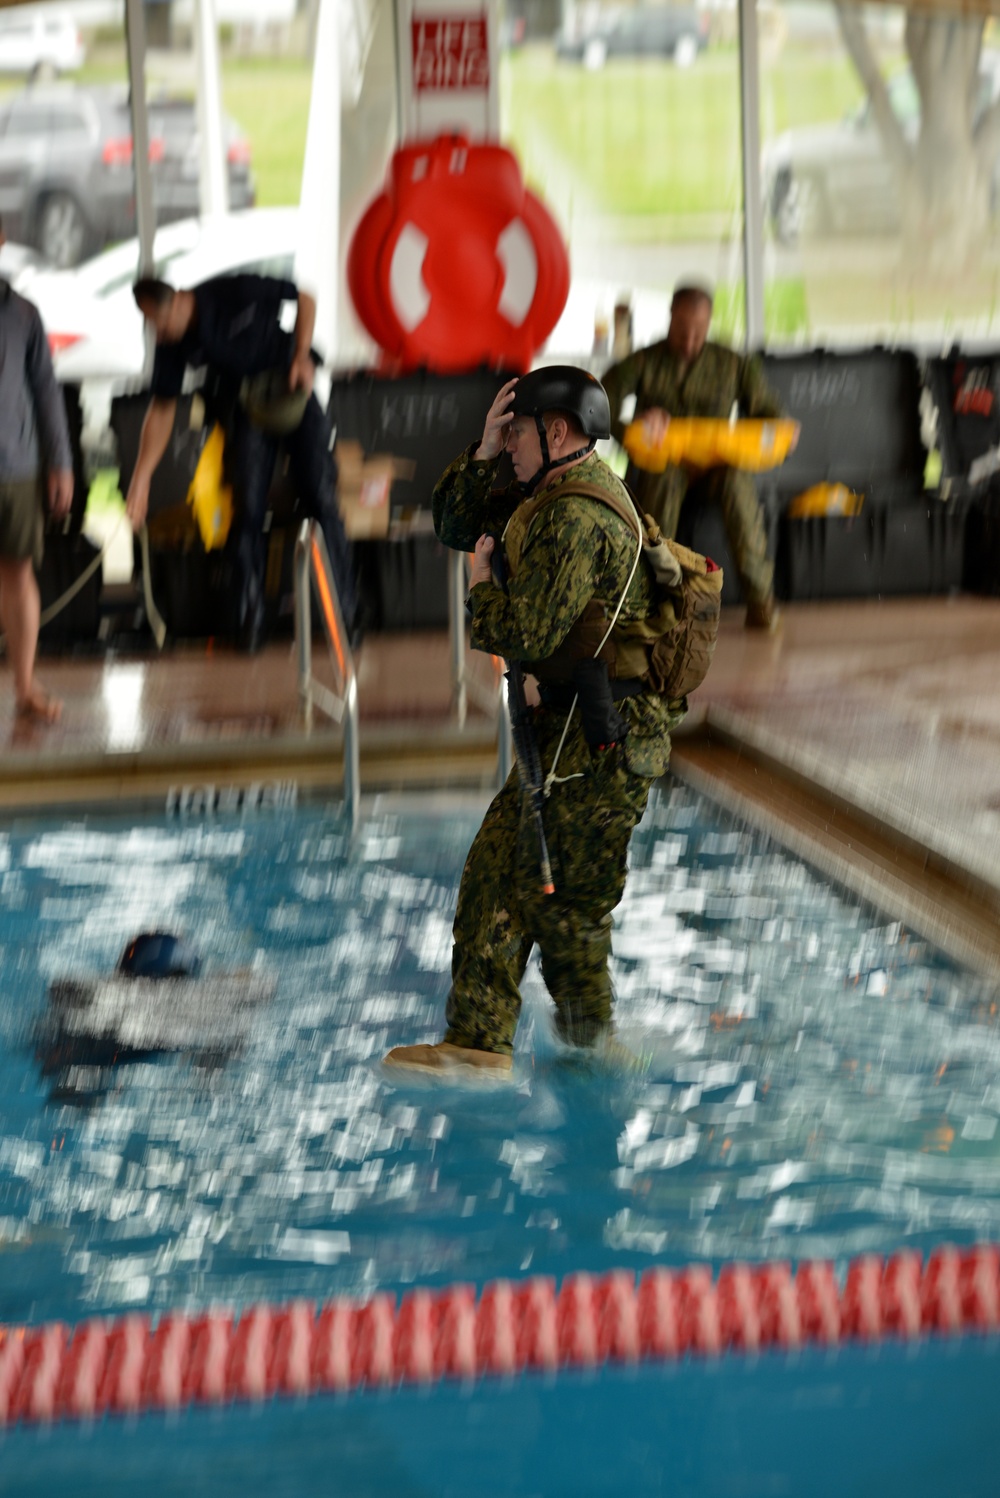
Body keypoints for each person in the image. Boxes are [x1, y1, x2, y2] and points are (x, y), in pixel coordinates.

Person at [383, 366, 685, 1076]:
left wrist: (481, 593)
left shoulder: (576, 516)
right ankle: (498, 1044)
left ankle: (572, 1047)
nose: (510, 444)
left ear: (556, 433)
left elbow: (529, 631)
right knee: (515, 879)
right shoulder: (545, 494)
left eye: (516, 432)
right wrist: (483, 450)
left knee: (558, 901)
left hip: (602, 742)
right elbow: (455, 522)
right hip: (569, 733)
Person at [126, 272, 358, 652]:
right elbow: (162, 408)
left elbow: (305, 297)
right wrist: (142, 477)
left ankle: (345, 618)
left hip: (290, 385)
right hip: (249, 405)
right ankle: (248, 625)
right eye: (151, 324)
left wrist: (301, 356)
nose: (159, 332)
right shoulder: (172, 343)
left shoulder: (232, 291)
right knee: (247, 510)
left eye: (160, 321)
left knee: (320, 497)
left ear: (179, 299)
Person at [602, 279, 783, 630]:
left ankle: (761, 600)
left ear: (709, 324)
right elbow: (597, 403)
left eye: (698, 331)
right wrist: (635, 425)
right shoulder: (644, 361)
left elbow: (772, 416)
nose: (689, 341)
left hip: (715, 467)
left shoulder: (732, 364)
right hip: (663, 464)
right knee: (664, 480)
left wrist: (759, 438)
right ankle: (658, 601)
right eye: (682, 329)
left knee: (737, 483)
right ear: (670, 317)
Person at [0, 216, 74, 723]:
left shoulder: (22, 314)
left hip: (16, 468)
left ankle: (24, 687)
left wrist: (61, 463)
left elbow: (47, 393)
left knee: (17, 573)